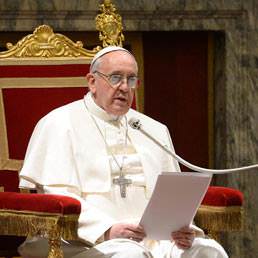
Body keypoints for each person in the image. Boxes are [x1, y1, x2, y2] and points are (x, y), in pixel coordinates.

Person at [18, 46, 228, 258]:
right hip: (80, 242)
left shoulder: (152, 129)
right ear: (92, 82)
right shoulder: (59, 124)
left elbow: (171, 196)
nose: (125, 87)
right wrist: (107, 229)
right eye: (116, 77)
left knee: (208, 251)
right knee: (130, 255)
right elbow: (56, 196)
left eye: (131, 79)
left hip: (152, 240)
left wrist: (181, 228)